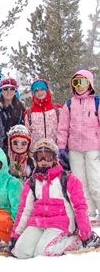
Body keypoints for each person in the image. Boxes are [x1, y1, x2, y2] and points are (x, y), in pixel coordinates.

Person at [10, 138, 100, 258]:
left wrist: (86, 235)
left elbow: (80, 208)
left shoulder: (68, 180)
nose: (43, 161)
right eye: (39, 156)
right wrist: (15, 236)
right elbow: (24, 210)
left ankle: (75, 240)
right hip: (38, 223)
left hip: (60, 224)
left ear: (54, 158)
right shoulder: (31, 183)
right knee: (20, 252)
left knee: (43, 252)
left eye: (47, 156)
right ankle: (37, 243)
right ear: (35, 159)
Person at [57, 70, 100, 218]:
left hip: (93, 148)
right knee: (80, 182)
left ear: (90, 84)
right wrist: (61, 147)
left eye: (83, 82)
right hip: (75, 149)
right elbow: (63, 127)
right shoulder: (69, 104)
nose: (79, 86)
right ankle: (88, 210)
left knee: (95, 179)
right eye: (76, 83)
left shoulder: (96, 102)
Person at [23, 78, 62, 150]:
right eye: (36, 90)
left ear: (47, 90)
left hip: (55, 150)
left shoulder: (57, 110)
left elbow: (63, 130)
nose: (39, 92)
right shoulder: (29, 113)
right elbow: (27, 134)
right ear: (33, 94)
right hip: (36, 152)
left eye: (42, 89)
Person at [0, 77, 25, 143]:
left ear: (15, 91)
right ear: (1, 91)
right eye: (5, 88)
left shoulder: (21, 109)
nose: (9, 91)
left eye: (12, 89)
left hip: (15, 145)